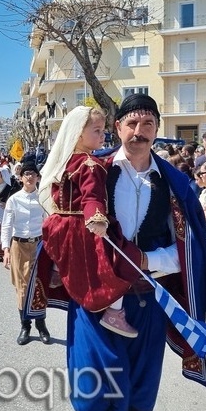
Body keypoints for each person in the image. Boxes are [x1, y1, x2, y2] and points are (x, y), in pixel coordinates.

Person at [26, 93, 206, 411]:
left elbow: (191, 248)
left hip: (146, 306)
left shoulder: (174, 184)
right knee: (89, 398)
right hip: (95, 307)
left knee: (139, 401)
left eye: (147, 124)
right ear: (117, 129)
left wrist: (150, 262)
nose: (138, 132)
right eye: (130, 124)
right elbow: (58, 219)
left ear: (156, 130)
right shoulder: (91, 170)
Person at [39, 106, 138, 338]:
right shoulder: (89, 164)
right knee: (120, 262)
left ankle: (56, 270)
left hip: (58, 225)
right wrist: (97, 218)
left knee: (67, 257)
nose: (103, 135)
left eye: (103, 130)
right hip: (79, 226)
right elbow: (91, 195)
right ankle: (114, 312)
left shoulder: (65, 162)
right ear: (78, 133)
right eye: (97, 130)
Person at [1, 160, 50, 345]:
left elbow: (48, 222)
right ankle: (25, 326)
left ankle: (41, 325)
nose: (30, 177)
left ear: (38, 178)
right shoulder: (14, 199)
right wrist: (5, 249)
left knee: (39, 286)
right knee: (22, 288)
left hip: (39, 245)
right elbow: (6, 225)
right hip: (19, 246)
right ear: (21, 178)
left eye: (33, 174)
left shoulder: (43, 198)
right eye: (26, 174)